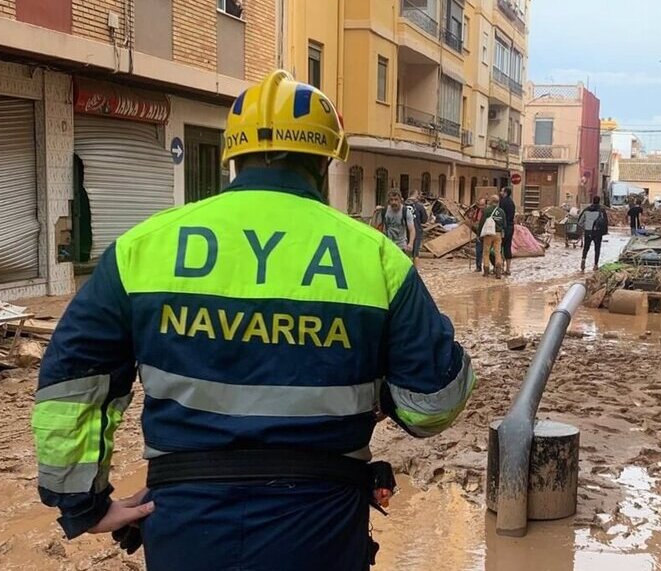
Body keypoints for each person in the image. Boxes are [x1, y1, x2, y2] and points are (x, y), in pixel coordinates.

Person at [31, 70, 475, 571]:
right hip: (320, 527)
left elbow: (70, 383)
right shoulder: (374, 257)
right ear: (325, 160)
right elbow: (434, 404)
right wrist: (382, 394)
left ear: (232, 158)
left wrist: (83, 505)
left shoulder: (143, 247)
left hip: (186, 527)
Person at [476, 194, 506, 278]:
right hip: (498, 234)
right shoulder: (501, 211)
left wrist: (478, 234)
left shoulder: (487, 211)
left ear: (491, 201)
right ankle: (498, 273)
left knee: (486, 252)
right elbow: (504, 224)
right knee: (497, 253)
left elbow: (481, 223)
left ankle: (486, 272)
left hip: (489, 233)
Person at [578, 197, 609, 272]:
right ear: (599, 202)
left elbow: (579, 222)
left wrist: (585, 227)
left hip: (588, 232)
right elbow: (605, 222)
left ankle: (583, 260)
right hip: (597, 232)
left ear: (593, 201)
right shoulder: (601, 211)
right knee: (597, 249)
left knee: (586, 247)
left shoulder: (586, 210)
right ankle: (595, 265)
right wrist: (604, 232)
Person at [383, 190, 416, 255]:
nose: (394, 202)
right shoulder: (384, 211)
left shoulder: (405, 212)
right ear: (388, 201)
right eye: (391, 200)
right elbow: (377, 228)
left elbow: (412, 229)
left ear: (400, 200)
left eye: (396, 200)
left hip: (401, 246)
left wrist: (411, 244)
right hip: (388, 245)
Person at [405, 190, 429, 268]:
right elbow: (424, 220)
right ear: (417, 195)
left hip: (403, 232)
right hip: (417, 231)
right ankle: (416, 272)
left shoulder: (402, 205)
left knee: (404, 253)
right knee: (415, 254)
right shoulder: (419, 206)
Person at [498, 187, 516, 276]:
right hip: (511, 227)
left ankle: (500, 268)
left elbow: (500, 216)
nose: (500, 192)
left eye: (501, 191)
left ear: (505, 192)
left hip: (503, 228)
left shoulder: (502, 202)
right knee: (508, 247)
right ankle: (508, 269)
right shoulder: (512, 202)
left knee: (500, 247)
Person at [469, 197, 487, 272]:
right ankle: (478, 267)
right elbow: (474, 220)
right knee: (478, 251)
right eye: (480, 205)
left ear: (486, 205)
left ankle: (488, 267)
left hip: (487, 233)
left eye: (482, 205)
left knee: (487, 252)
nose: (481, 207)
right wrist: (471, 216)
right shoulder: (477, 211)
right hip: (479, 233)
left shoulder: (488, 212)